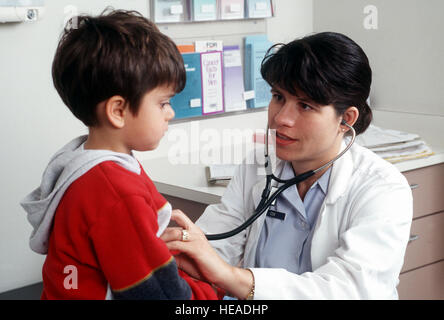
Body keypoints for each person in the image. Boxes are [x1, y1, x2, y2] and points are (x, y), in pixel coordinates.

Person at [161, 32, 413, 299]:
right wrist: (185, 252)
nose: (281, 118)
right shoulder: (259, 165)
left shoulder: (383, 188)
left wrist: (230, 276)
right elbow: (217, 243)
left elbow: (350, 290)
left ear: (345, 119)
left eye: (305, 106)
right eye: (278, 97)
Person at [20, 9, 217, 300]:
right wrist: (211, 293)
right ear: (118, 111)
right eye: (163, 103)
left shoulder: (83, 162)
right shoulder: (116, 190)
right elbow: (157, 293)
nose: (170, 114)